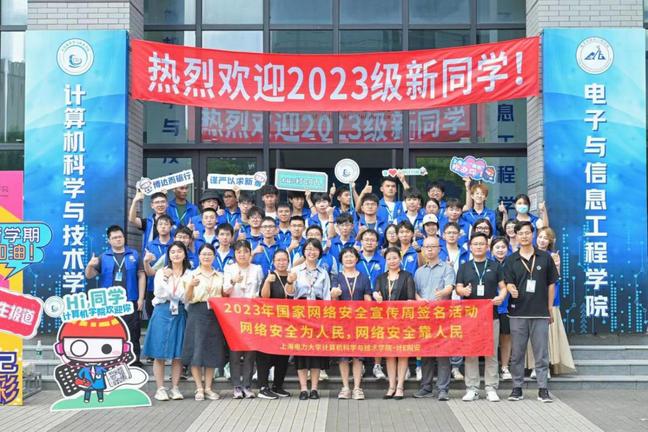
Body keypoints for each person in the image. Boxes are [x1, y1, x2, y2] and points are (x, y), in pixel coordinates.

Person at [505, 221, 559, 403]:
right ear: (516, 235)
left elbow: (551, 284)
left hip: (540, 312)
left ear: (532, 234)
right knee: (517, 354)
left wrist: (549, 307)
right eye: (521, 233)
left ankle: (543, 389)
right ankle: (517, 388)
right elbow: (508, 282)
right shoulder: (511, 259)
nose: (524, 236)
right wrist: (510, 288)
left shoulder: (545, 257)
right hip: (517, 312)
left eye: (527, 233)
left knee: (541, 353)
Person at [455, 233, 507, 402]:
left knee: (491, 352)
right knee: (471, 352)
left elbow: (503, 287)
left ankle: (491, 387)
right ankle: (472, 388)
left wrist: (501, 297)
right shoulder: (464, 267)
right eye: (475, 244)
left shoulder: (495, 266)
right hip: (470, 316)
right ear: (470, 247)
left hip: (491, 315)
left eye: (481, 244)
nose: (478, 247)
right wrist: (463, 291)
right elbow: (458, 287)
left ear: (487, 247)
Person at [85, 225, 145, 367]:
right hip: (109, 302)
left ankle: (133, 360)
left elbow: (141, 276)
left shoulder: (134, 255)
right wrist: (90, 265)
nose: (118, 239)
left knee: (133, 330)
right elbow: (89, 276)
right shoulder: (103, 257)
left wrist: (141, 298)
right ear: (109, 240)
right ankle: (111, 359)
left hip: (130, 300)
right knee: (110, 330)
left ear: (124, 238)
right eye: (114, 238)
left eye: (120, 237)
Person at [143, 241, 190, 401]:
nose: (176, 254)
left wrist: (175, 293)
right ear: (168, 255)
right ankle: (160, 388)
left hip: (180, 311)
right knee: (159, 352)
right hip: (162, 310)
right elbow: (159, 292)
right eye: (173, 252)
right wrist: (165, 278)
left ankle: (175, 388)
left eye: (179, 251)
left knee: (178, 354)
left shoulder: (189, 274)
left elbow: (186, 296)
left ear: (185, 254)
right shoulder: (161, 272)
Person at [528, 227, 575, 376]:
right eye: (540, 237)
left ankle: (545, 366)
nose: (542, 240)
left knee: (547, 335)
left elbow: (555, 280)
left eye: (545, 238)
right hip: (531, 301)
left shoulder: (553, 256)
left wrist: (557, 266)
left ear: (550, 241)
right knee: (533, 335)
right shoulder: (528, 254)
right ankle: (534, 366)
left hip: (549, 302)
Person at [182, 243, 226, 401]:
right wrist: (190, 286)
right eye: (203, 254)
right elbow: (186, 298)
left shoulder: (220, 275)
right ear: (199, 256)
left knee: (211, 351)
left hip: (214, 314)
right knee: (196, 349)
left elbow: (224, 295)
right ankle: (199, 388)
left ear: (214, 256)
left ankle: (208, 387)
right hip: (197, 311)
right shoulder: (191, 275)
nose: (206, 257)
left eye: (209, 254)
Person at [412, 236, 454, 401]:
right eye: (426, 247)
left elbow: (450, 287)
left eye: (433, 247)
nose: (429, 250)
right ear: (422, 250)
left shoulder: (447, 268)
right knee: (426, 354)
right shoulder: (419, 271)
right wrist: (419, 299)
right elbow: (415, 291)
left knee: (443, 354)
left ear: (439, 249)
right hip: (424, 317)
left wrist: (442, 293)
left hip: (442, 316)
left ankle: (443, 389)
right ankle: (426, 387)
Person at [291, 239, 332, 400]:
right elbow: (291, 293)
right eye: (308, 249)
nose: (311, 252)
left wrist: (326, 318)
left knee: (316, 351)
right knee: (301, 351)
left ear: (319, 252)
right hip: (300, 312)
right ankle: (303, 388)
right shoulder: (296, 270)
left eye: (315, 249)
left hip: (318, 312)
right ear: (304, 252)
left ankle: (314, 388)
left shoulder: (323, 272)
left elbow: (327, 296)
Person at [374, 247, 416, 400]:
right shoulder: (381, 277)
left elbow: (411, 299)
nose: (392, 261)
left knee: (402, 353)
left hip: (403, 321)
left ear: (400, 259)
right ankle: (391, 386)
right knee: (389, 354)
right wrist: (375, 295)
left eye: (395, 258)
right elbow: (376, 293)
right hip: (385, 321)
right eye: (389, 258)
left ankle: (400, 387)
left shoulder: (407, 276)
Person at [223, 240, 264, 399]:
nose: (242, 255)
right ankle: (236, 386)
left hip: (252, 315)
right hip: (234, 316)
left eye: (245, 251)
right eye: (239, 252)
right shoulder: (229, 268)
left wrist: (258, 298)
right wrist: (233, 281)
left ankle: (247, 385)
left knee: (250, 352)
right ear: (234, 254)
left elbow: (261, 290)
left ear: (250, 253)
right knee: (235, 352)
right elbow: (225, 291)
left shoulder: (257, 269)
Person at [331, 247, 372, 400]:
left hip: (360, 322)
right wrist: (334, 295)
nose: (349, 259)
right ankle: (345, 387)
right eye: (346, 257)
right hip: (342, 322)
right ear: (341, 260)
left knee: (358, 355)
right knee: (343, 355)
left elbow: (367, 298)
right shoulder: (337, 277)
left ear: (356, 259)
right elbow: (333, 300)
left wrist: (374, 303)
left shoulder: (364, 277)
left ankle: (357, 388)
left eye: (351, 256)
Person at [257, 250, 297, 399]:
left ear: (288, 261)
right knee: (265, 354)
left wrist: (291, 281)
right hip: (269, 322)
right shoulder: (270, 275)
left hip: (287, 322)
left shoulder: (292, 276)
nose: (281, 263)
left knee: (283, 354)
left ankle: (277, 385)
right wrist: (268, 281)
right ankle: (263, 387)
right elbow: (264, 296)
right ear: (273, 262)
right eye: (278, 260)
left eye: (284, 260)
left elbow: (292, 295)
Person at [142, 214, 174, 318]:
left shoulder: (176, 244)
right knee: (153, 317)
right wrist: (146, 262)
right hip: (153, 287)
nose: (163, 226)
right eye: (160, 224)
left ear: (171, 227)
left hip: (173, 287)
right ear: (156, 227)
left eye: (166, 224)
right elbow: (148, 272)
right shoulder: (150, 245)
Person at [490, 236, 513, 380]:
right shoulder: (487, 263)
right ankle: (491, 369)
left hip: (507, 306)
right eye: (497, 247)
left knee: (505, 336)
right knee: (490, 338)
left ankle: (504, 367)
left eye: (503, 247)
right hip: (489, 306)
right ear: (491, 249)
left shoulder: (512, 263)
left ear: (508, 249)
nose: (500, 250)